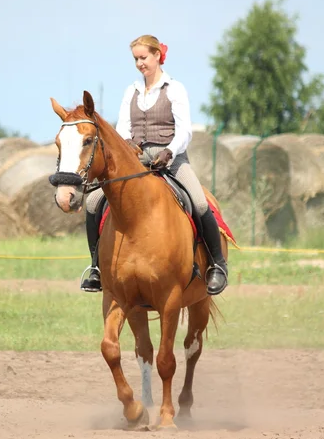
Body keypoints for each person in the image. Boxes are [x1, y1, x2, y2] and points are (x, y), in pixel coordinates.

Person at [81, 34, 228, 295]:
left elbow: (185, 130)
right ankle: (96, 268)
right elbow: (122, 128)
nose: (139, 63)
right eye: (136, 59)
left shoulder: (175, 89)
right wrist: (127, 143)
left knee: (200, 201)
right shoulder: (132, 91)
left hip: (170, 159)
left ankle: (217, 264)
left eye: (143, 57)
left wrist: (170, 151)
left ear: (158, 55)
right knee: (92, 203)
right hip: (136, 161)